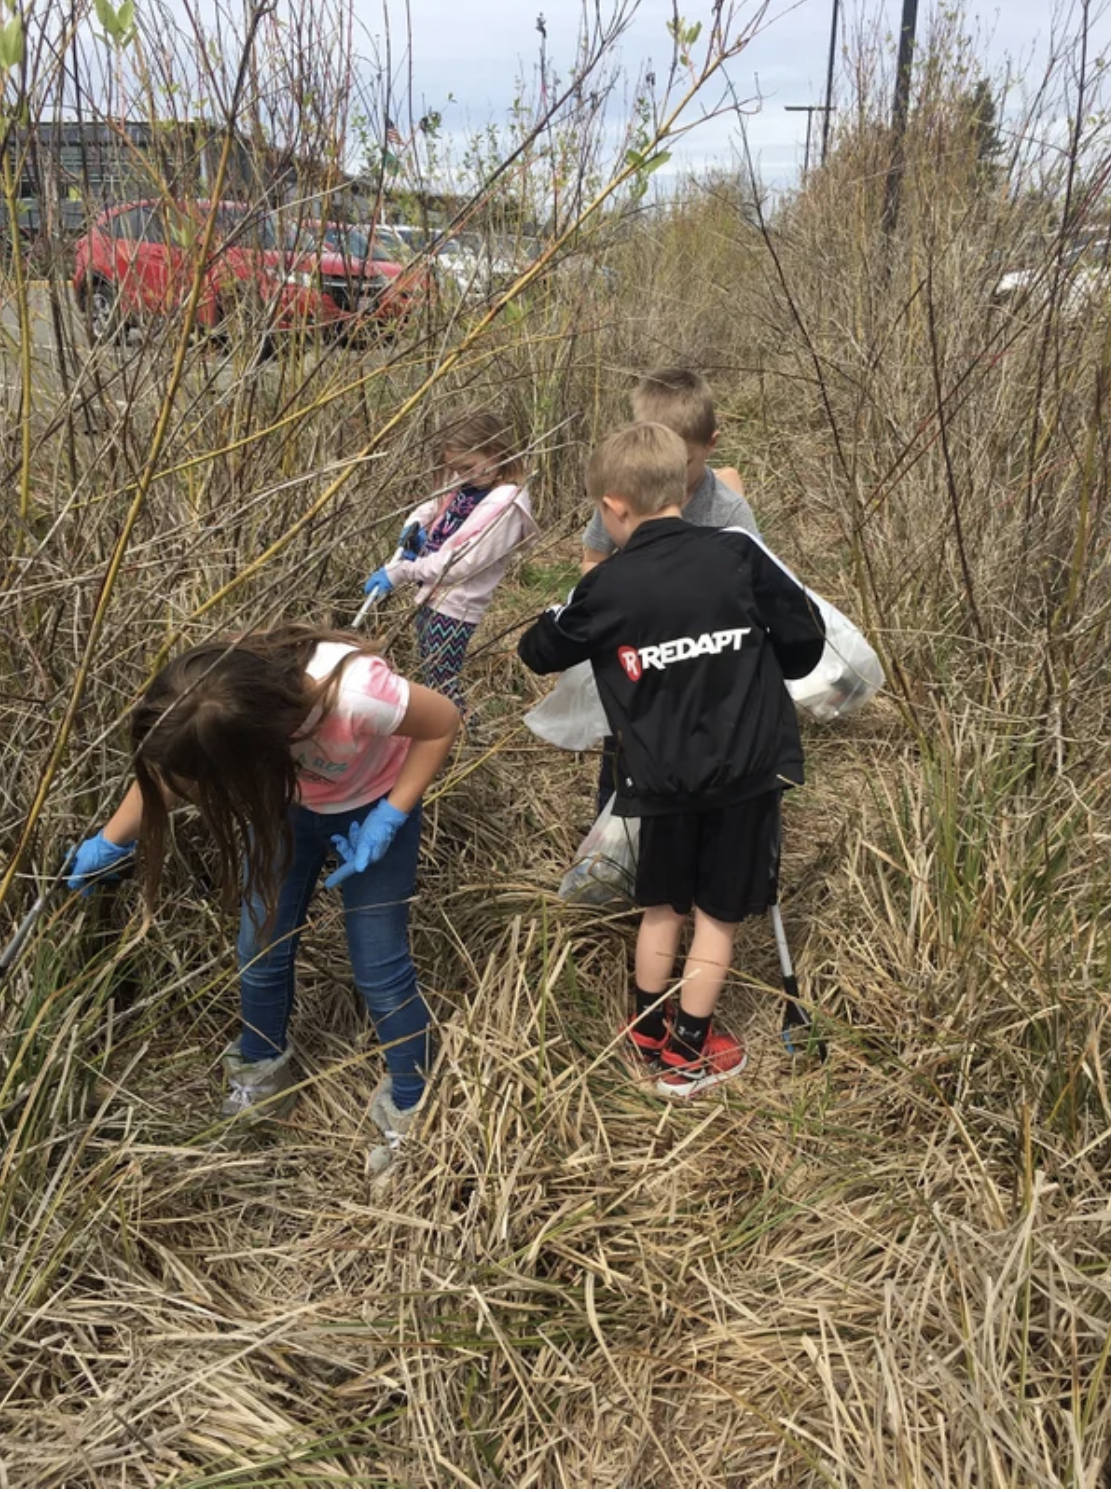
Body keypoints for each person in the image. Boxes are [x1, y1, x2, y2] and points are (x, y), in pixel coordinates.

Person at [67, 625, 459, 1166]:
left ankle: (412, 1104)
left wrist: (391, 813)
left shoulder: (356, 695)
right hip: (287, 810)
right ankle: (262, 1070)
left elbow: (441, 723)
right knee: (260, 947)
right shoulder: (206, 705)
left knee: (381, 968)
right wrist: (110, 841)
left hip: (373, 807)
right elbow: (169, 773)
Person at [519, 424, 825, 1099]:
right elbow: (806, 644)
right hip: (748, 773)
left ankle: (650, 1030)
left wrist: (572, 613)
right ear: (678, 485)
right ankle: (691, 1043)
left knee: (663, 907)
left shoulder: (610, 587)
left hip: (658, 780)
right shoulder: (739, 555)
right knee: (719, 916)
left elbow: (539, 648)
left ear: (615, 507)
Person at [581, 368, 760, 810]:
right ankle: (613, 839)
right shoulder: (624, 493)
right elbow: (593, 560)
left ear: (711, 445)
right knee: (621, 747)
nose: (670, 484)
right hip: (633, 656)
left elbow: (751, 591)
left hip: (698, 664)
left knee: (689, 751)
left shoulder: (728, 511)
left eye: (683, 467)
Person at [364, 408, 538, 716]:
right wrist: (414, 526)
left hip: (456, 608)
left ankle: (458, 739)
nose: (462, 475)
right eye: (456, 468)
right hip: (432, 597)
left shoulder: (506, 506)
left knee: (442, 685)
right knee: (432, 674)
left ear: (496, 452)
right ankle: (446, 739)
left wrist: (403, 571)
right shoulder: (469, 484)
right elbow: (433, 505)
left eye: (468, 466)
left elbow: (459, 565)